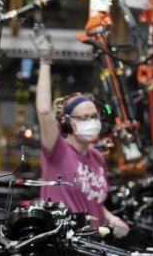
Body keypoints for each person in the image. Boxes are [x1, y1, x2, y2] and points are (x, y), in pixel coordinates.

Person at [33, 27, 129, 236]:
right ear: (67, 123)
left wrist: (110, 218)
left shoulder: (97, 158)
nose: (92, 122)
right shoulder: (57, 151)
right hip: (62, 244)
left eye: (94, 117)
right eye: (84, 118)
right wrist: (45, 60)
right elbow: (44, 111)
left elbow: (92, 200)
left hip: (90, 243)